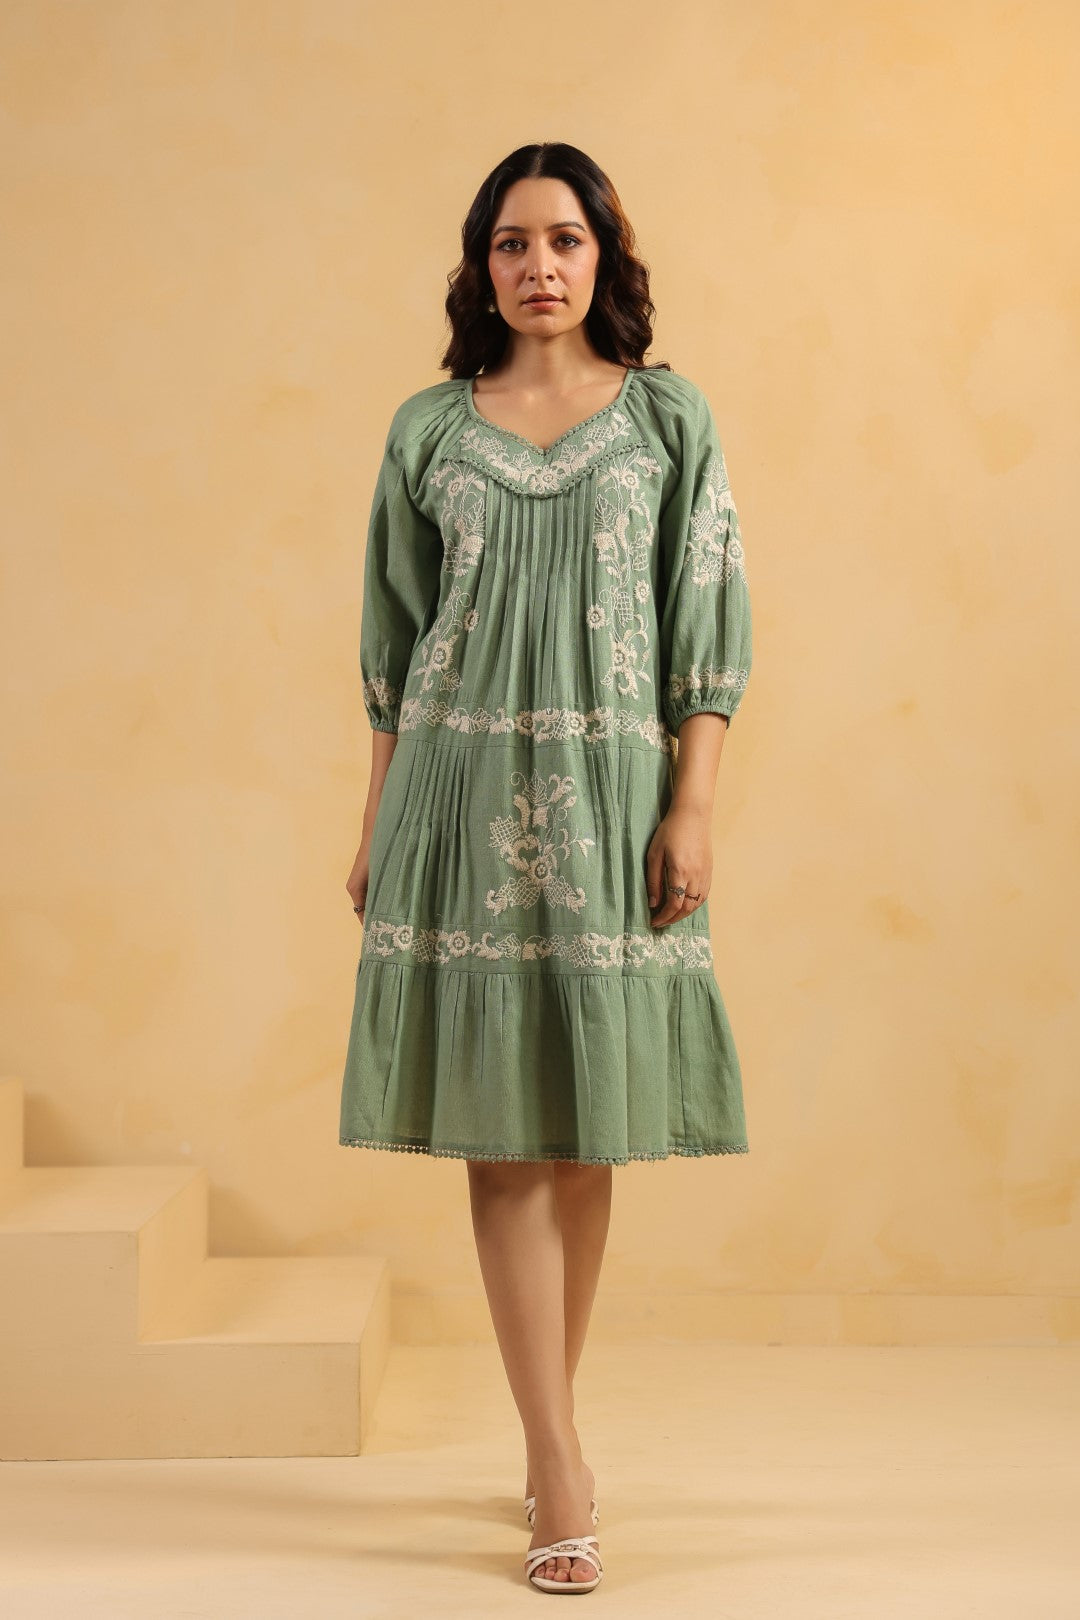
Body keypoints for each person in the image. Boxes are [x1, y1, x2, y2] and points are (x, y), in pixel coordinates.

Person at [340, 141, 753, 1594]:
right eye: (511, 243)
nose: (538, 267)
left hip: (611, 794)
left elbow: (707, 620)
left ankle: (545, 1433)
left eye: (563, 240)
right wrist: (378, 820)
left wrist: (691, 805)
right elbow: (393, 648)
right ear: (482, 264)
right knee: (502, 1130)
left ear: (603, 254)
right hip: (456, 792)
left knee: (585, 1135)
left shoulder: (666, 420)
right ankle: (559, 1461)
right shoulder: (430, 431)